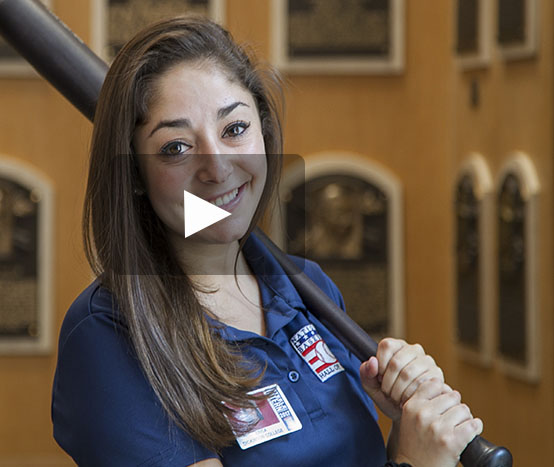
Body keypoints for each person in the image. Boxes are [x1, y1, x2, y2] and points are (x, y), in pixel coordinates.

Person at [51, 16, 483, 467]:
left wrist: (410, 429)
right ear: (135, 175)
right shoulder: (108, 333)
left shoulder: (305, 288)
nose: (216, 169)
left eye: (234, 129)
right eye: (175, 147)